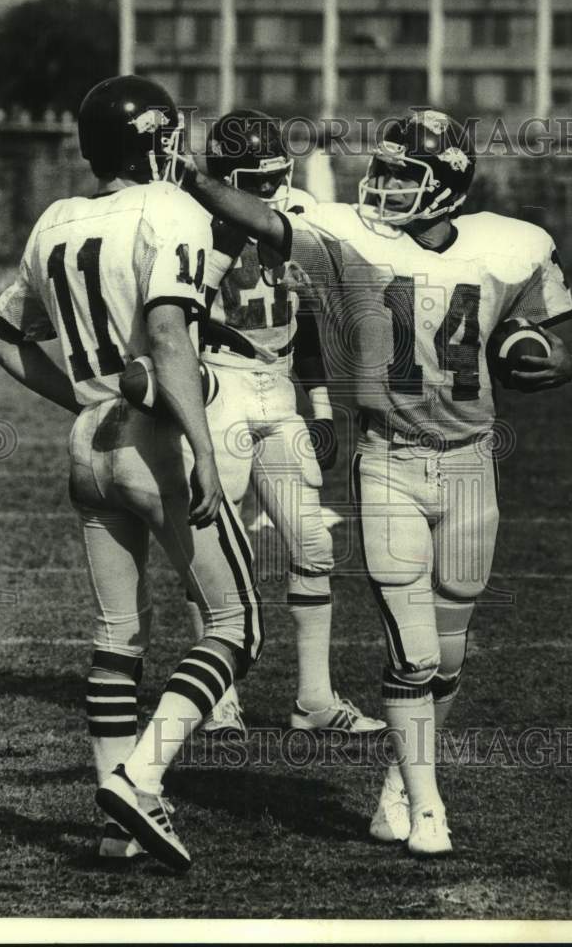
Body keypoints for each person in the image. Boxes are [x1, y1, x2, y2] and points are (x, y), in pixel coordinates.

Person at [178, 107, 572, 856]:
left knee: (450, 656)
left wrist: (556, 361)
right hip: (388, 459)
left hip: (469, 468)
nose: (383, 184)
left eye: (403, 173)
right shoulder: (351, 237)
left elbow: (539, 343)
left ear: (448, 186)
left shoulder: (509, 248)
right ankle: (430, 808)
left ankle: (400, 782)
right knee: (414, 652)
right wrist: (191, 178)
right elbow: (261, 219)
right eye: (383, 167)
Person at [0, 75, 263, 871]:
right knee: (235, 626)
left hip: (89, 441)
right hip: (154, 442)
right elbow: (168, 332)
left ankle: (115, 827)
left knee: (117, 636)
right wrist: (204, 447)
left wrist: (79, 395)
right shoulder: (171, 209)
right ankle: (139, 781)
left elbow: (2, 338)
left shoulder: (54, 221)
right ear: (155, 141)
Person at [189, 108, 383, 737]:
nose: (272, 189)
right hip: (217, 383)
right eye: (257, 177)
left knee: (313, 545)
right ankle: (216, 696)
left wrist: (321, 405)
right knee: (217, 545)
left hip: (279, 388)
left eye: (278, 174)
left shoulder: (295, 212)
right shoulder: (188, 221)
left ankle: (313, 698)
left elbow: (308, 325)